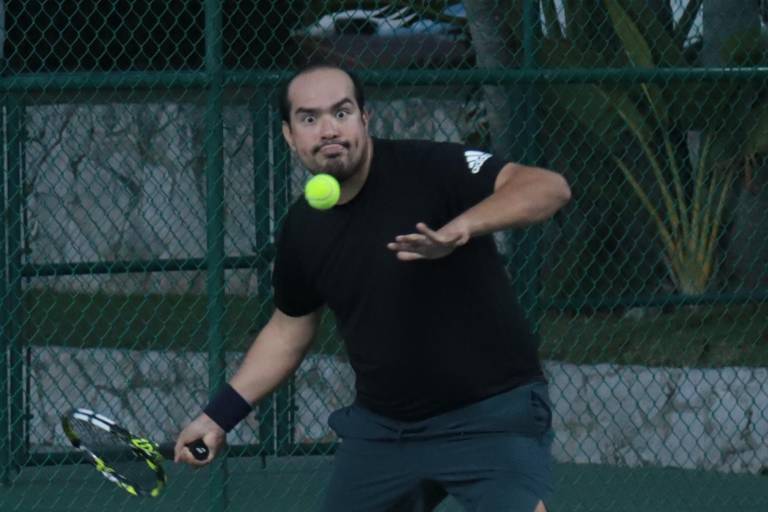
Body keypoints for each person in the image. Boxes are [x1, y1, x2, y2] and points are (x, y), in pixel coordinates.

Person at [174, 63, 571, 512]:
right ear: (288, 134)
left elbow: (548, 188)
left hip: (488, 416)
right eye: (309, 118)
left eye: (341, 113)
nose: (328, 130)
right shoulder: (302, 230)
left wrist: (460, 228)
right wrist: (218, 417)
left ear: (365, 117)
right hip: (385, 433)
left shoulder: (433, 167)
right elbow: (288, 330)